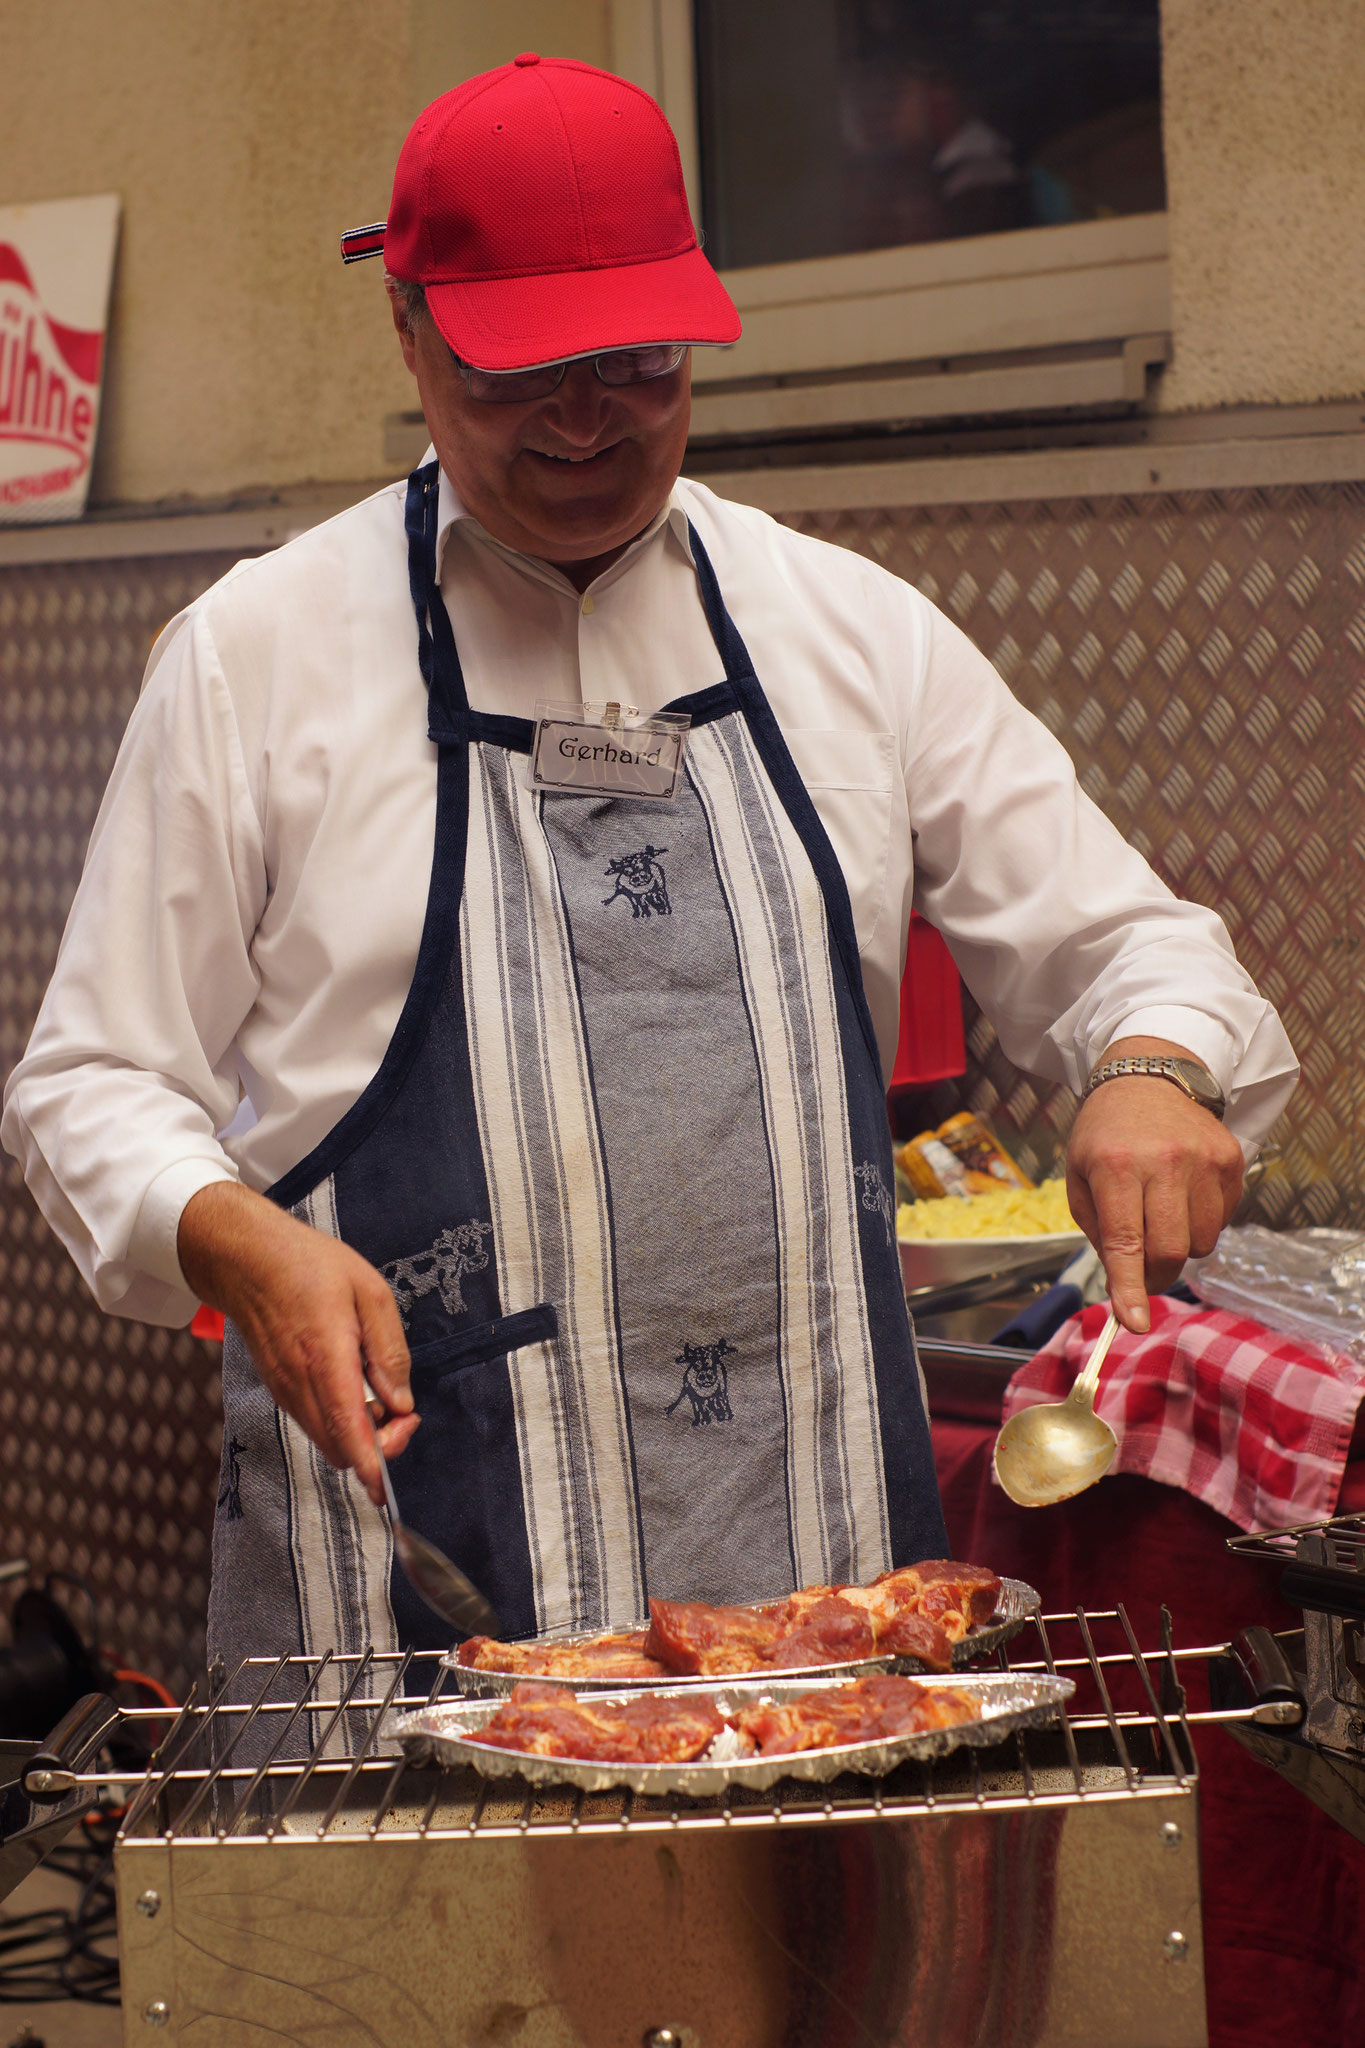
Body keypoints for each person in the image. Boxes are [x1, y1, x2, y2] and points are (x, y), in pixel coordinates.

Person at [2, 55, 1294, 1669]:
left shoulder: (845, 630)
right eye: (520, 371)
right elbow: (90, 1084)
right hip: (413, 1619)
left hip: (816, 1626)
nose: (585, 416)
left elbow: (1141, 953)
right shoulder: (252, 661)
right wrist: (227, 1230)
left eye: (633, 360)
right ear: (406, 328)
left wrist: (1158, 1066)